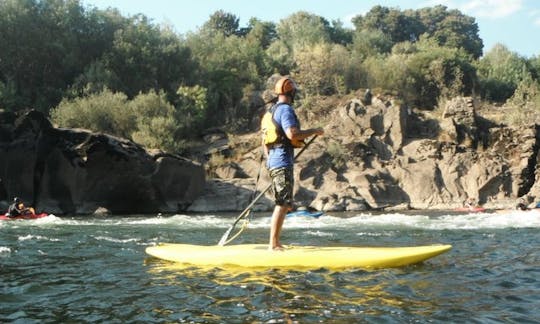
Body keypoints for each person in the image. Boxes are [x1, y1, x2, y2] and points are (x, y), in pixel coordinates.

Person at [261, 77, 324, 250]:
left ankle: (276, 241)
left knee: (287, 204)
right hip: (281, 162)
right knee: (282, 204)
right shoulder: (285, 110)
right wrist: (314, 131)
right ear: (291, 92)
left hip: (275, 160)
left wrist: (271, 161)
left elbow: (264, 142)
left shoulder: (270, 112)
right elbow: (292, 134)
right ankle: (273, 245)